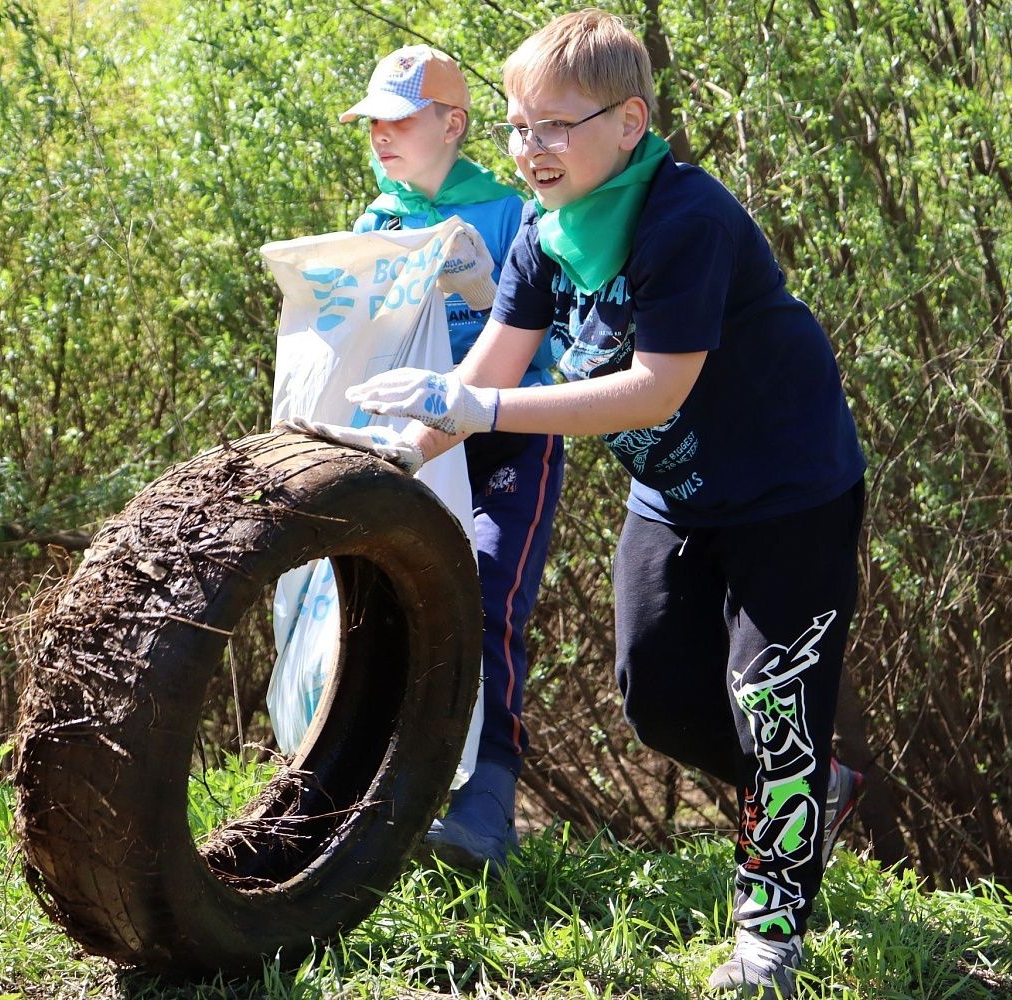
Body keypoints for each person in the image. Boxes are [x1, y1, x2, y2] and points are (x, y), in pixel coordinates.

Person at [310, 11, 867, 998]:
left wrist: (480, 408)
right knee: (658, 703)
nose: (531, 148)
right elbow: (487, 372)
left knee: (772, 704)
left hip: (791, 496)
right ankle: (809, 787)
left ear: (629, 123)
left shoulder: (684, 221)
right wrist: (395, 451)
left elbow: (653, 390)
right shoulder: (540, 231)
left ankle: (767, 940)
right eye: (520, 127)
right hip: (675, 496)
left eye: (557, 127)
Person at [338, 44, 565, 872]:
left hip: (508, 437)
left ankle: (486, 808)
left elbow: (555, 348)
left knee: (489, 599)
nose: (381, 136)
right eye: (372, 123)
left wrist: (481, 285)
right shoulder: (376, 223)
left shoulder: (513, 216)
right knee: (385, 607)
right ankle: (374, 799)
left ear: (453, 124)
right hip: (409, 441)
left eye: (399, 121)